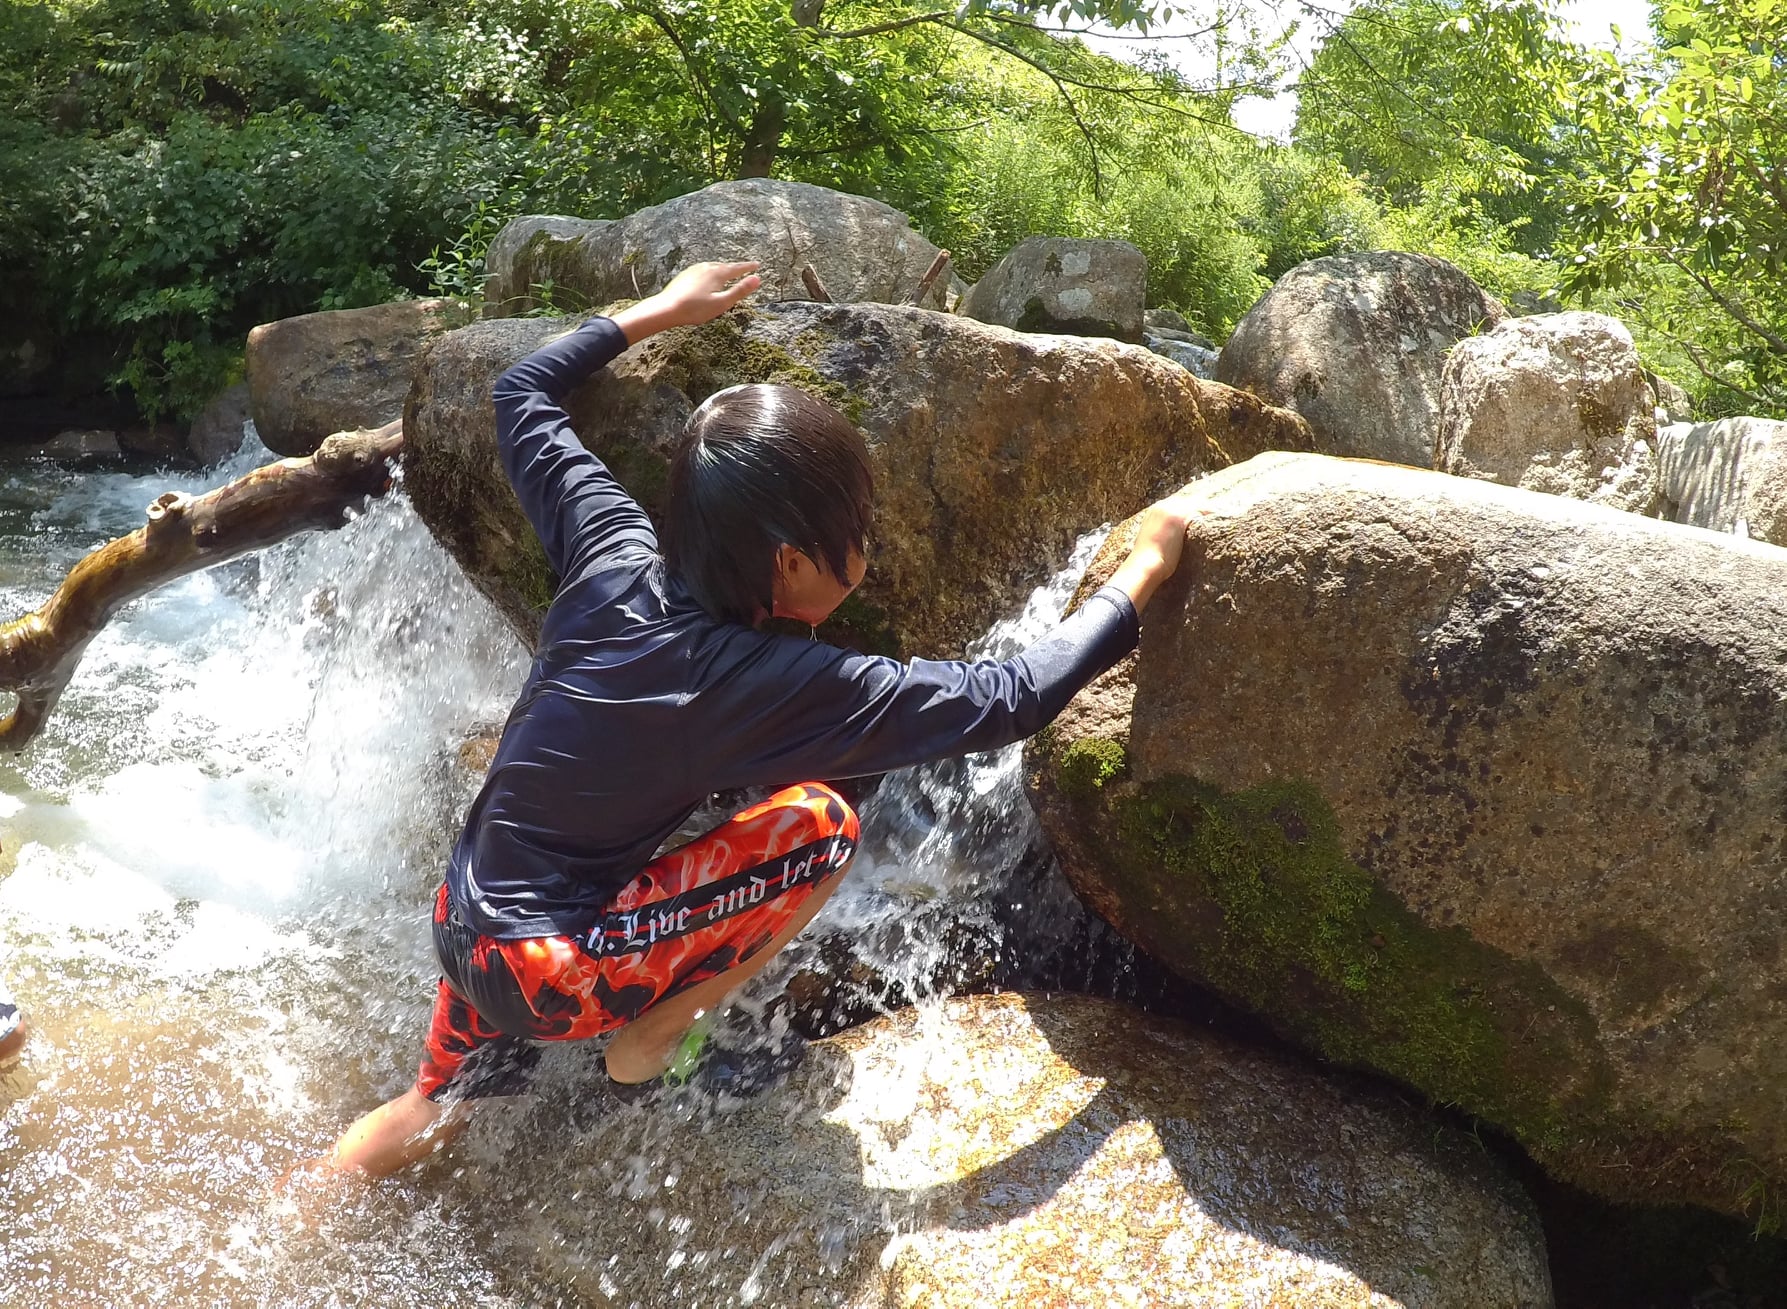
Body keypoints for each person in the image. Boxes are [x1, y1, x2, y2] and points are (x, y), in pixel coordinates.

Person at [319, 260, 1203, 1178]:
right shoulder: (760, 680)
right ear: (787, 563)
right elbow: (1011, 696)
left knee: (432, 1103)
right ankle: (650, 1042)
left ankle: (302, 1207)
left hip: (466, 919)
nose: (867, 547)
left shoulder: (610, 546)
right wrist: (1143, 570)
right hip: (552, 970)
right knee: (824, 824)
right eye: (856, 532)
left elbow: (520, 394)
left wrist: (660, 311)